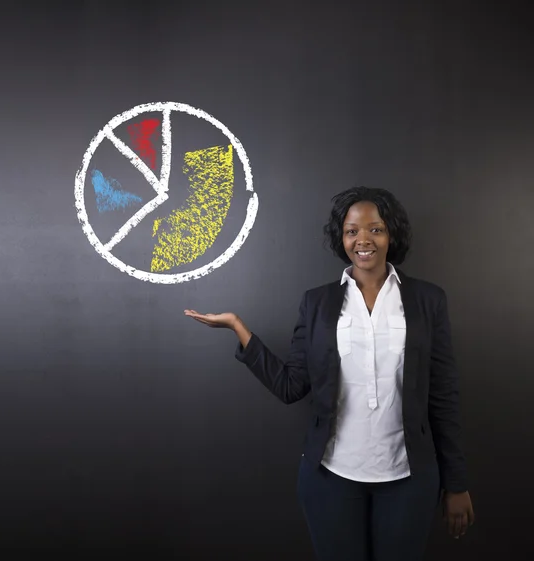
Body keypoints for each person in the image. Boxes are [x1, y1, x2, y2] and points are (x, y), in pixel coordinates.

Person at [184, 186, 475, 561]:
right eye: (352, 231)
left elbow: (443, 397)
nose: (363, 239)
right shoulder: (317, 303)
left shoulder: (427, 300)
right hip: (330, 478)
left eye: (376, 229)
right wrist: (239, 328)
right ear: (342, 238)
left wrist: (457, 484)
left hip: (409, 479)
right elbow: (292, 386)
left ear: (392, 235)